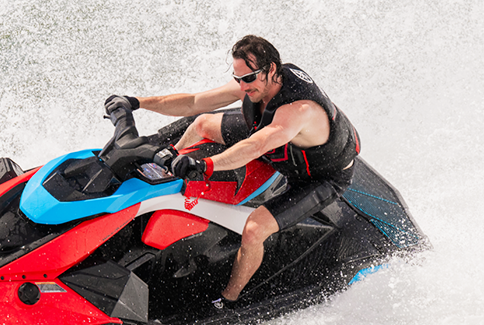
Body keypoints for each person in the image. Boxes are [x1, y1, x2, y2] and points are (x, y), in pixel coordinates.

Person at [106, 35, 360, 310]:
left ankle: (227, 301)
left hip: (320, 176)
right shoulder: (255, 84)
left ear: (271, 69)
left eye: (248, 78)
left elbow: (256, 145)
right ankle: (162, 167)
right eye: (238, 79)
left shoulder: (300, 110)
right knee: (202, 124)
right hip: (281, 148)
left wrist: (204, 165)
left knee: (254, 230)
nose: (242, 86)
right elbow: (194, 102)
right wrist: (136, 102)